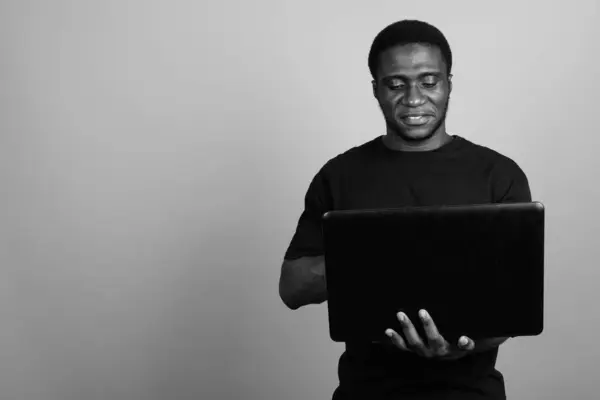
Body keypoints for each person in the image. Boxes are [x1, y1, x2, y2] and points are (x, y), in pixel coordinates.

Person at [278, 19, 531, 400]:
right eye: (396, 84)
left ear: (449, 82)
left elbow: (516, 306)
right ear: (376, 90)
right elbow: (292, 287)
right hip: (365, 392)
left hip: (470, 393)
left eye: (429, 81)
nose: (414, 99)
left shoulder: (499, 174)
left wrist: (456, 347)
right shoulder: (340, 175)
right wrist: (376, 258)